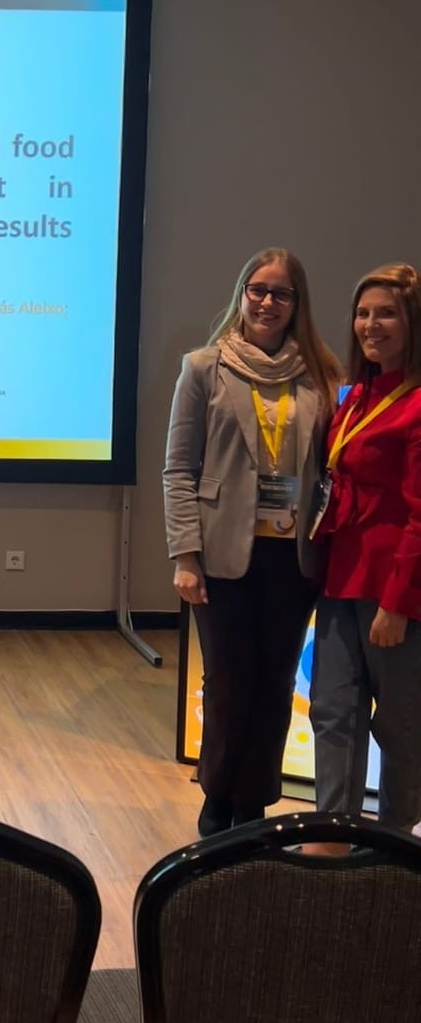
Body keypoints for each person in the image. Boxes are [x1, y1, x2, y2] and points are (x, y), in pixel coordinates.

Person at [165, 249, 339, 837]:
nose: (268, 302)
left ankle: (255, 800)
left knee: (275, 682)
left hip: (293, 557)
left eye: (281, 293)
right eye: (258, 290)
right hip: (221, 554)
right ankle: (218, 794)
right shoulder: (203, 368)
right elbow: (178, 470)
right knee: (228, 682)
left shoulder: (321, 375)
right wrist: (185, 556)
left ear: (297, 304)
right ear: (241, 294)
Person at [309, 263, 421, 834]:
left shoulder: (417, 401)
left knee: (401, 728)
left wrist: (398, 603)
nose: (370, 325)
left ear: (413, 322)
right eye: (362, 313)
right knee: (332, 714)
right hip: (341, 579)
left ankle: (396, 852)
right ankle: (331, 842)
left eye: (387, 314)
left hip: (394, 592)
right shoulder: (357, 395)